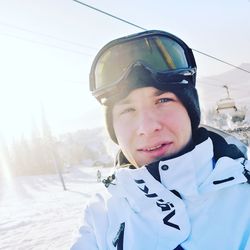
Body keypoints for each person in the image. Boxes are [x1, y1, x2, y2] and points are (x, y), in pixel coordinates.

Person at [71, 30, 250, 250]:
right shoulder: (102, 214)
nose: (147, 127)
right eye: (127, 110)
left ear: (190, 111)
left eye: (163, 100)